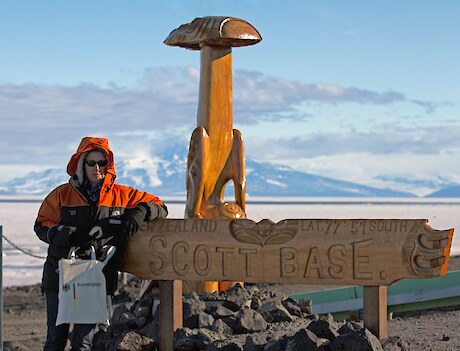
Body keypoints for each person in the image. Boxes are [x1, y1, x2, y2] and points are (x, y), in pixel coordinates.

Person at [34, 136, 168, 351]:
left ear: (109, 165)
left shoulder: (122, 195)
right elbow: (42, 225)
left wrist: (140, 211)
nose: (97, 168)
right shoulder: (62, 195)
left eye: (102, 163)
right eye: (91, 163)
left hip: (96, 278)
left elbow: (159, 205)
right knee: (55, 340)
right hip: (61, 276)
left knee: (83, 342)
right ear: (81, 164)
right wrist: (70, 235)